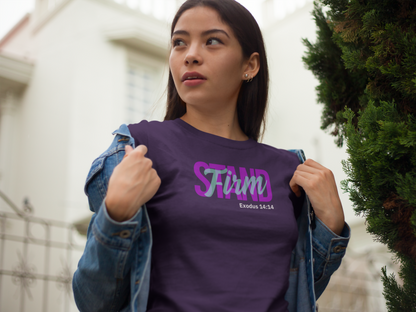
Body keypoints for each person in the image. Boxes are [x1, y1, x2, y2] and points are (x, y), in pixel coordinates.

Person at [72, 0, 350, 311]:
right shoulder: (139, 148)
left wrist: (332, 226)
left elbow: (298, 291)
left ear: (250, 65)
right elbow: (93, 302)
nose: (190, 55)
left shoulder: (288, 170)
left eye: (212, 41)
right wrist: (116, 213)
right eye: (179, 42)